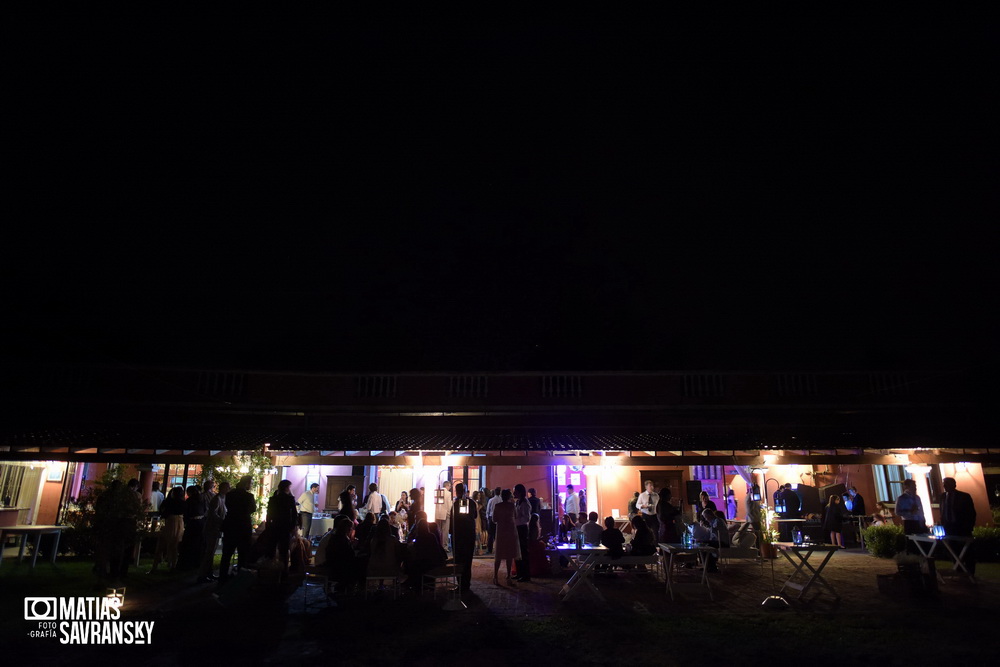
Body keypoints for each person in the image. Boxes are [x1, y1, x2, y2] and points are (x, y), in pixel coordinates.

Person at [219, 476, 256, 587]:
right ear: (246, 483)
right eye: (251, 483)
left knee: (226, 554)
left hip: (230, 525)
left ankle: (222, 578)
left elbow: (227, 506)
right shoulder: (249, 496)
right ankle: (239, 579)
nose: (251, 485)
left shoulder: (230, 495)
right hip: (243, 526)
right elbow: (253, 509)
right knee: (243, 555)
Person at [940, 477, 977, 573]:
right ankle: (959, 569)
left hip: (962, 528)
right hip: (948, 528)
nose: (944, 486)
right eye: (944, 484)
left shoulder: (964, 496)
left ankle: (970, 572)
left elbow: (971, 513)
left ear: (954, 485)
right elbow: (942, 511)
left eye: (947, 484)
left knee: (967, 550)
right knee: (952, 550)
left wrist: (969, 526)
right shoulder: (943, 496)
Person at [197, 481, 229, 583]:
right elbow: (213, 513)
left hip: (216, 528)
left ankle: (208, 573)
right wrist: (222, 521)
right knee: (209, 552)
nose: (229, 490)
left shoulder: (221, 498)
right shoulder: (217, 499)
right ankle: (203, 575)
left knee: (211, 551)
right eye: (227, 488)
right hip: (212, 528)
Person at [403, 518, 447, 591]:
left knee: (411, 563)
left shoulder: (419, 538)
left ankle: (413, 584)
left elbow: (417, 552)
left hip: (426, 564)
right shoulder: (432, 536)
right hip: (434, 563)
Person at [149, 486, 185, 573]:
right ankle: (173, 564)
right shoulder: (183, 503)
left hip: (169, 521)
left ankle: (155, 566)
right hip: (179, 522)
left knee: (161, 543)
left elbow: (162, 512)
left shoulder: (168, 502)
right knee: (174, 545)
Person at [450, 482, 478, 593]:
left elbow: (453, 519)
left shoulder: (457, 504)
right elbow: (475, 515)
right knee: (467, 560)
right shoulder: (471, 503)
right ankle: (466, 584)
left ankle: (461, 584)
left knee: (459, 560)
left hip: (459, 535)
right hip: (469, 534)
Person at [267, 479, 298, 576]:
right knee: (284, 549)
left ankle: (271, 568)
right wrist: (293, 526)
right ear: (286, 488)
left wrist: (268, 525)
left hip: (275, 525)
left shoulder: (273, 499)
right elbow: (294, 514)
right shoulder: (289, 499)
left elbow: (269, 514)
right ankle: (284, 570)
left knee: (272, 547)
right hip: (285, 526)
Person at [491, 488, 521, 587]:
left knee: (498, 554)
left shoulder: (497, 506)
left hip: (500, 531)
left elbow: (494, 519)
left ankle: (495, 576)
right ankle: (508, 576)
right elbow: (516, 516)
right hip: (510, 530)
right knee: (509, 554)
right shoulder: (512, 506)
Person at [326, 515, 363, 594]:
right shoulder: (343, 539)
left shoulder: (334, 537)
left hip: (332, 565)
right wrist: (353, 545)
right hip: (341, 568)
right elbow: (349, 555)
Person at [177, 485, 205, 571]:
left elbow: (186, 512)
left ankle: (187, 563)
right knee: (198, 543)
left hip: (192, 523)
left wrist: (186, 521)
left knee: (189, 543)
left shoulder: (189, 501)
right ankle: (197, 562)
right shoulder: (201, 500)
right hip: (200, 523)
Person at [512, 483, 532, 582]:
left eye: (515, 490)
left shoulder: (524, 503)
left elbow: (526, 518)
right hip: (517, 528)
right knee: (518, 551)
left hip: (522, 528)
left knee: (523, 551)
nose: (513, 492)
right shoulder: (518, 502)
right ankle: (519, 573)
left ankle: (525, 575)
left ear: (519, 492)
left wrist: (516, 520)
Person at [434, 480, 452, 549]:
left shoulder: (438, 492)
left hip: (437, 513)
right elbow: (449, 504)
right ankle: (444, 546)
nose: (450, 488)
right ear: (447, 486)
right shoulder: (448, 493)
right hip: (446, 514)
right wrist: (449, 513)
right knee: (445, 531)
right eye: (449, 486)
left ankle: (437, 544)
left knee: (438, 530)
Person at [485, 486, 502, 554]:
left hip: (491, 518)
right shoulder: (501, 500)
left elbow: (488, 510)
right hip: (500, 519)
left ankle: (489, 549)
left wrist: (487, 518)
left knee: (490, 535)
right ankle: (498, 549)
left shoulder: (491, 500)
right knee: (498, 535)